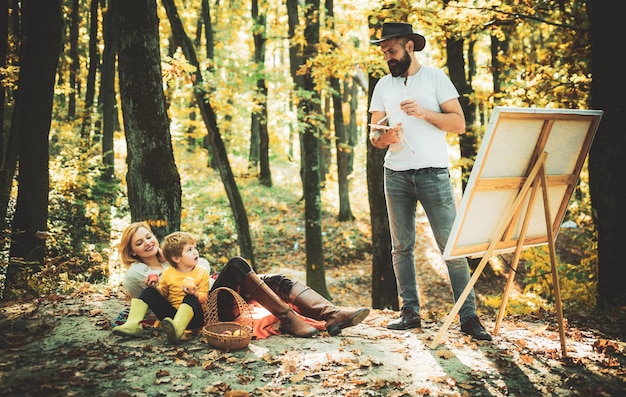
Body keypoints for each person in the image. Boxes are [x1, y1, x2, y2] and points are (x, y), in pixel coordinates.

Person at [368, 22, 491, 341]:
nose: (388, 57)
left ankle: (469, 316)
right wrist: (385, 137)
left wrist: (423, 113)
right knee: (401, 247)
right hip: (394, 174)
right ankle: (409, 312)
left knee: (450, 246)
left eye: (392, 51)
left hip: (433, 173)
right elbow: (373, 134)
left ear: (409, 47)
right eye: (384, 53)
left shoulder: (435, 78)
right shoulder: (382, 85)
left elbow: (459, 123)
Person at [114, 222, 370, 339]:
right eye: (140, 242)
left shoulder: (175, 257)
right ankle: (288, 319)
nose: (147, 242)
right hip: (210, 307)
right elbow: (149, 300)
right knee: (237, 264)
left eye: (148, 237)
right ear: (132, 251)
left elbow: (204, 269)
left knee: (274, 280)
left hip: (216, 291)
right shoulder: (137, 273)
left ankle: (332, 314)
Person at [113, 231, 210, 343]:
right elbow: (163, 295)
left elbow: (204, 298)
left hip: (194, 318)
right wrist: (154, 287)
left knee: (190, 298)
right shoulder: (168, 273)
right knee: (149, 291)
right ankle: (133, 324)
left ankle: (178, 330)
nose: (195, 252)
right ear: (176, 258)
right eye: (189, 250)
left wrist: (195, 294)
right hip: (172, 317)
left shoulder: (202, 272)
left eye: (194, 248)